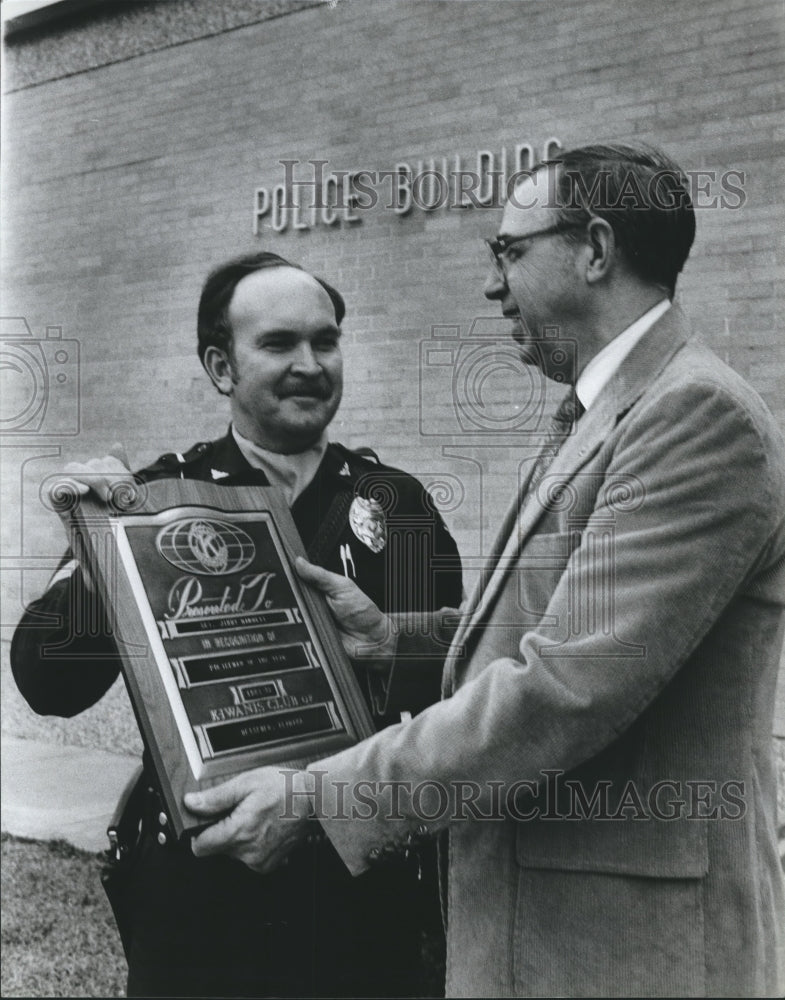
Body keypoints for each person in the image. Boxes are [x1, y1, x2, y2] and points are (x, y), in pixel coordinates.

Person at [183, 145, 785, 998]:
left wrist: (322, 797)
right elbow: (545, 622)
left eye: (508, 251)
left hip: (624, 949)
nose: (492, 286)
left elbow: (565, 686)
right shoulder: (606, 409)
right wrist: (392, 637)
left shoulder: (693, 416)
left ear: (594, 249)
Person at [10, 252, 463, 998]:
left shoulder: (397, 505)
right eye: (279, 344)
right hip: (202, 912)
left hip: (360, 906)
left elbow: (452, 683)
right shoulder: (150, 501)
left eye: (326, 341)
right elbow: (48, 683)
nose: (311, 365)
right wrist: (98, 559)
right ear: (222, 367)